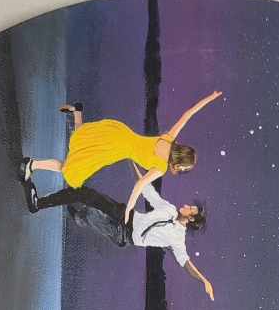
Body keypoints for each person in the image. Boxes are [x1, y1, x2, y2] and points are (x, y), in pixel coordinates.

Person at [18, 91, 222, 219]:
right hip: (116, 148)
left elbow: (188, 114)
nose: (183, 169)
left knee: (83, 143)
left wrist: (210, 98)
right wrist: (129, 210)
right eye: (185, 167)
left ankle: (77, 112)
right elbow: (139, 186)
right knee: (73, 167)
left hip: (120, 132)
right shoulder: (160, 167)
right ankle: (31, 165)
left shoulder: (168, 139)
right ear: (181, 161)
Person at [26, 168, 215, 301]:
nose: (187, 205)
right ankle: (39, 203)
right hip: (124, 213)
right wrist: (131, 160)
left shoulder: (177, 238)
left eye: (190, 209)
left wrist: (203, 280)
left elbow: (185, 263)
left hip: (123, 234)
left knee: (88, 214)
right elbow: (147, 190)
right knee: (85, 194)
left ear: (190, 219)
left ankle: (80, 218)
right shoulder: (169, 208)